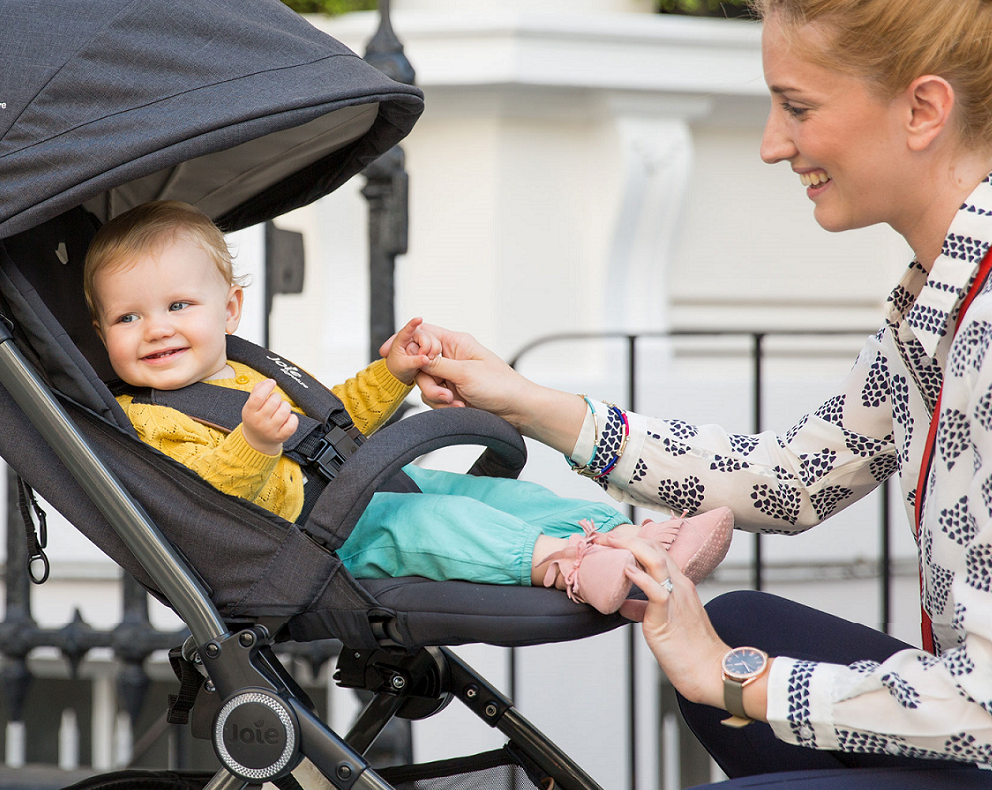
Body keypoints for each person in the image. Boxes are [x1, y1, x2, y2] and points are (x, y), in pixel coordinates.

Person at [411, 0, 992, 784]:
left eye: (797, 107)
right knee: (738, 621)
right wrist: (522, 401)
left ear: (922, 109)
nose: (770, 144)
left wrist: (736, 679)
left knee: (727, 652)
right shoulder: (937, 298)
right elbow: (792, 480)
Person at [82, 200, 733, 615]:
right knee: (439, 526)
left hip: (362, 485)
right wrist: (253, 443)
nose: (155, 330)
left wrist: (392, 372)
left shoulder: (250, 369)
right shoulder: (147, 417)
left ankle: (628, 540)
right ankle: (568, 564)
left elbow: (329, 423)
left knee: (492, 500)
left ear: (228, 309)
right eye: (128, 317)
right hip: (316, 538)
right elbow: (204, 498)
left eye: (177, 306)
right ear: (100, 330)